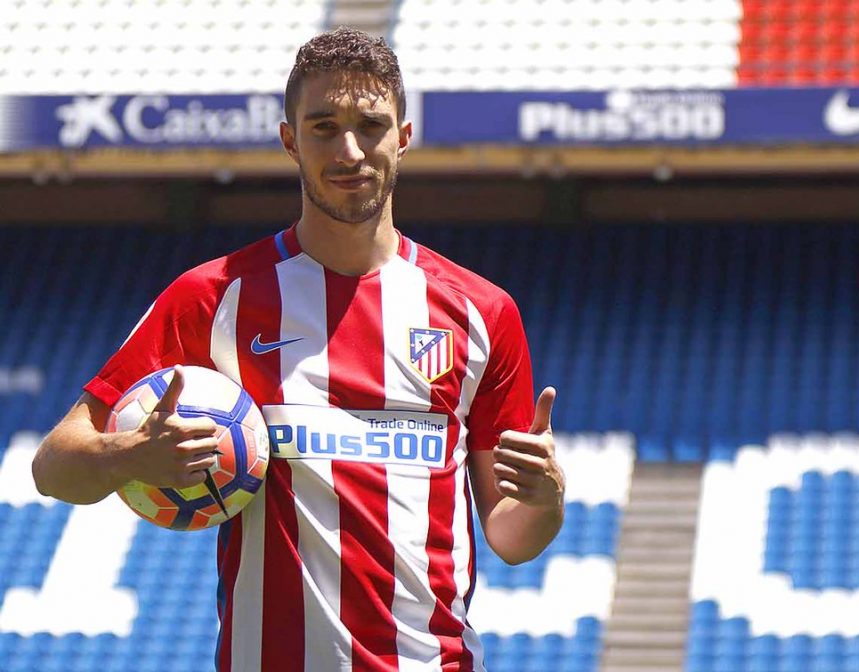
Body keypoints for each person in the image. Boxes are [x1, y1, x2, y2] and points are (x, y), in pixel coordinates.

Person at [31, 27, 565, 672]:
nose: (349, 150)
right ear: (289, 140)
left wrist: (545, 501)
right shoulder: (214, 296)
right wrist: (130, 454)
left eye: (371, 126)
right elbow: (53, 467)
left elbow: (510, 535)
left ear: (403, 136)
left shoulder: (481, 312)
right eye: (323, 127)